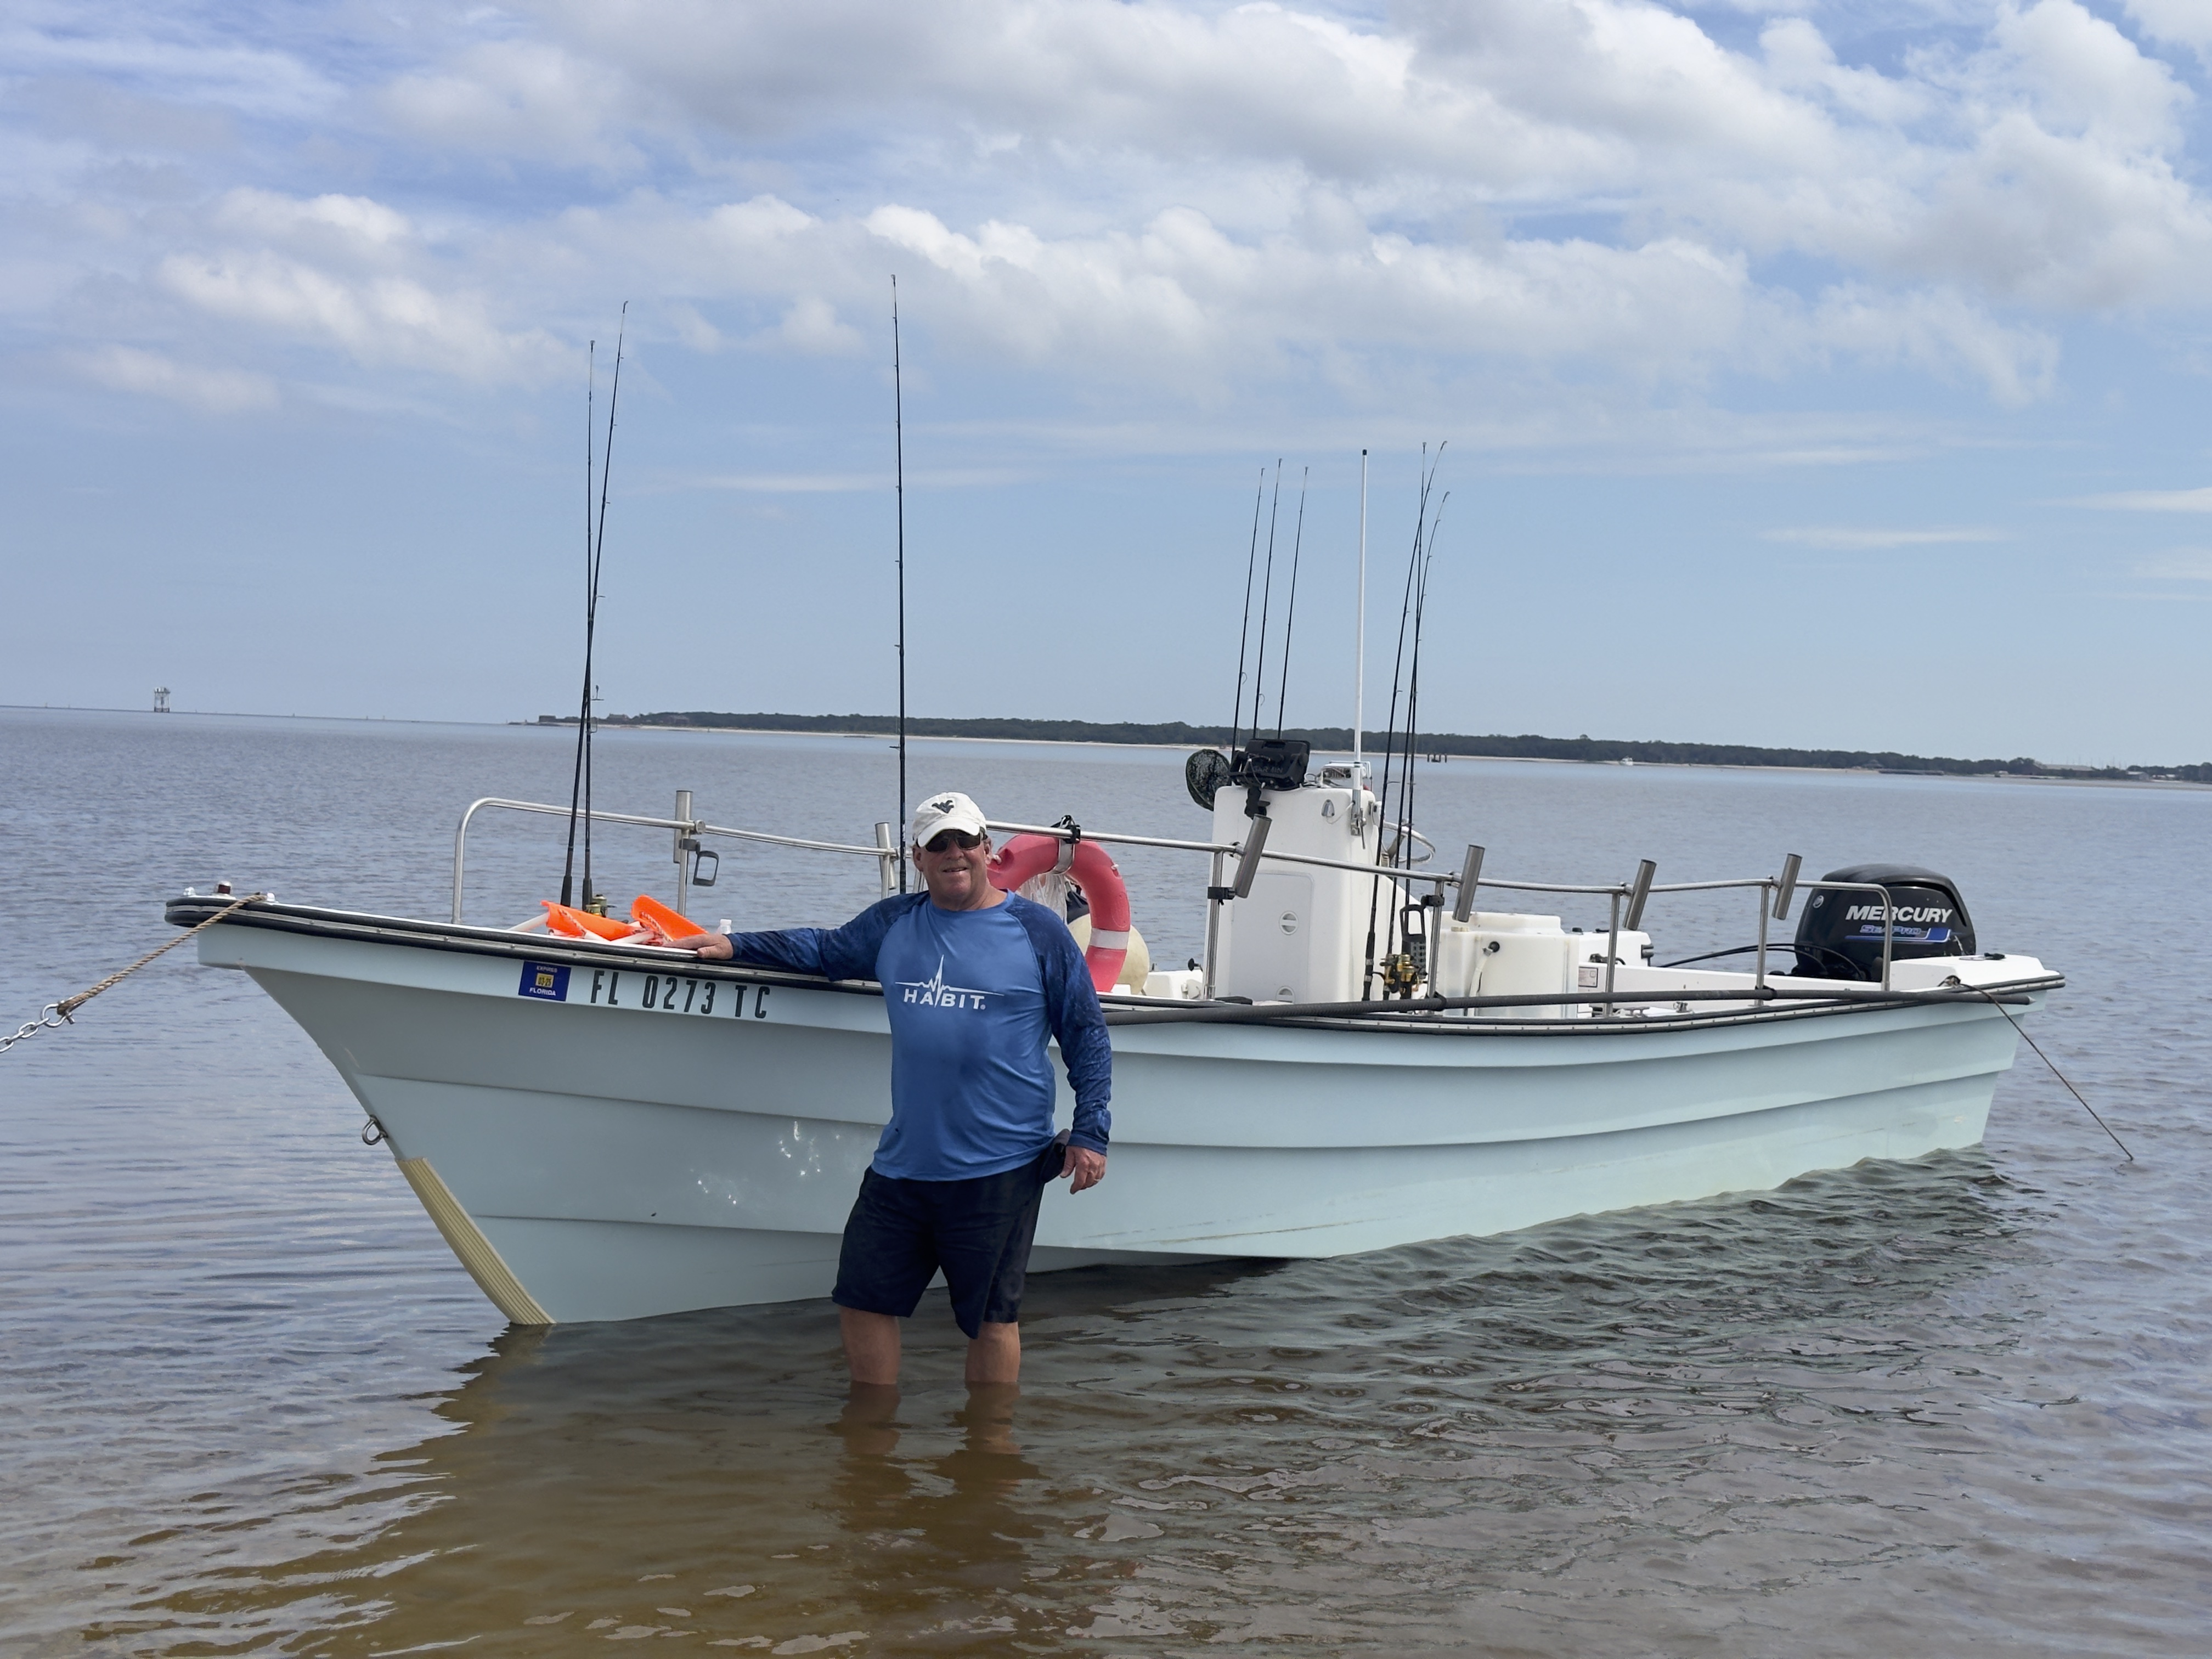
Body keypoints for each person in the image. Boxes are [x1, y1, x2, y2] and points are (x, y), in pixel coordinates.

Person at [680, 790, 1110, 1385]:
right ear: (917, 856)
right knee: (862, 1299)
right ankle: (871, 1439)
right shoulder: (895, 923)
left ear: (988, 849)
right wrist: (736, 944)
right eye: (939, 844)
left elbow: (1087, 1034)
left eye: (964, 841)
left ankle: (990, 1445)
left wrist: (1092, 1133)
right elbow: (825, 950)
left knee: (991, 1319)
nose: (953, 854)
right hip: (905, 1164)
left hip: (1002, 1166)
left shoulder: (1038, 932)